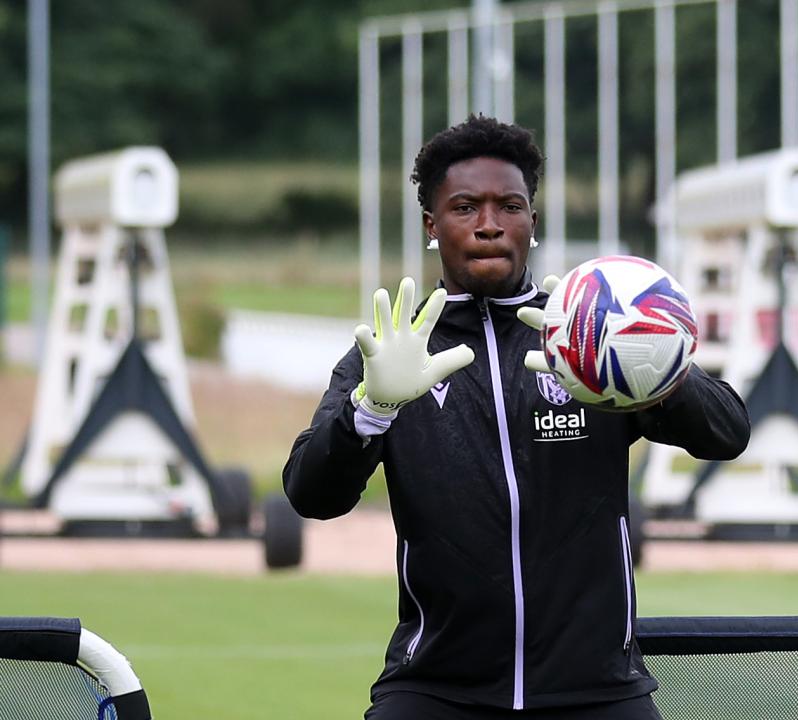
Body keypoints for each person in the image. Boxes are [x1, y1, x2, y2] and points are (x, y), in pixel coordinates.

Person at [283, 115, 750, 719]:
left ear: (533, 222)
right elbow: (310, 494)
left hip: (598, 689)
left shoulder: (590, 338)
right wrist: (370, 410)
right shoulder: (393, 349)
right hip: (437, 687)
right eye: (464, 208)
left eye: (509, 206)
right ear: (432, 225)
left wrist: (656, 372)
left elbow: (729, 434)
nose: (488, 225)